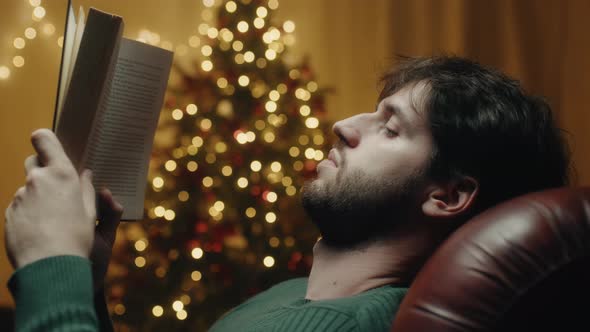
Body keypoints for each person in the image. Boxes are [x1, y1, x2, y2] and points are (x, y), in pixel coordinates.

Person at [4, 56, 571, 331]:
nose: (345, 126)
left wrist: (50, 261)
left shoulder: (343, 327)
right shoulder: (287, 298)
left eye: (391, 128)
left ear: (447, 196)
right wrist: (88, 283)